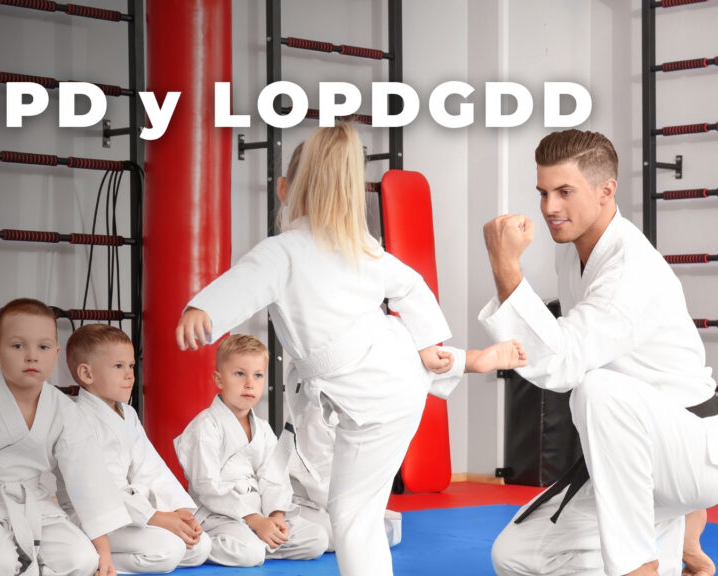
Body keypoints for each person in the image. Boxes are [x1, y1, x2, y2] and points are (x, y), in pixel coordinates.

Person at [175, 123, 526, 576]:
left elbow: (242, 283)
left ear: (283, 189)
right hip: (391, 379)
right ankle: (457, 360)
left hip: (368, 390)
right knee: (355, 509)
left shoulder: (284, 252)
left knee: (351, 515)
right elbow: (412, 286)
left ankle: (458, 361)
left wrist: (202, 308)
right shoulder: (362, 247)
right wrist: (426, 344)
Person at [479, 129, 718, 576]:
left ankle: (640, 566)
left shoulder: (629, 268)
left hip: (692, 453)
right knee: (516, 555)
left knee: (596, 388)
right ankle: (675, 537)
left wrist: (505, 266)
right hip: (638, 458)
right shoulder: (573, 253)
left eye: (565, 192)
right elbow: (563, 345)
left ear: (606, 190)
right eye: (543, 192)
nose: (549, 207)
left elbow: (563, 364)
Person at [274, 140, 526, 552]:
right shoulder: (291, 255)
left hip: (357, 381)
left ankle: (463, 360)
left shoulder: (357, 249)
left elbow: (406, 295)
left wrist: (430, 344)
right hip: (325, 396)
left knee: (357, 522)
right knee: (331, 523)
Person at [0, 298, 130, 576]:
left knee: (83, 560)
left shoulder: (63, 409)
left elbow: (87, 479)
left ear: (56, 353)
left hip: (35, 504)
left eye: (43, 347)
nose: (32, 356)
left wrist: (105, 554)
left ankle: (26, 564)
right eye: (18, 346)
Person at [63, 324, 211, 573]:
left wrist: (178, 511)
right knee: (170, 550)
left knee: (200, 546)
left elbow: (151, 468)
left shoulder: (128, 413)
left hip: (131, 511)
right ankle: (94, 560)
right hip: (93, 517)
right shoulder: (76, 419)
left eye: (131, 366)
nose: (129, 375)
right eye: (118, 366)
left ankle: (134, 547)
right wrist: (155, 518)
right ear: (87, 374)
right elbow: (96, 490)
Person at [174, 334, 328, 567]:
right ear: (219, 379)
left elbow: (275, 476)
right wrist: (254, 520)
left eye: (258, 375)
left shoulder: (263, 429)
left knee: (317, 539)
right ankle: (207, 545)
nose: (249, 383)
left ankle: (257, 542)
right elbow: (206, 486)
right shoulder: (205, 427)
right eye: (239, 374)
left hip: (259, 511)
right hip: (219, 514)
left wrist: (276, 515)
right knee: (250, 553)